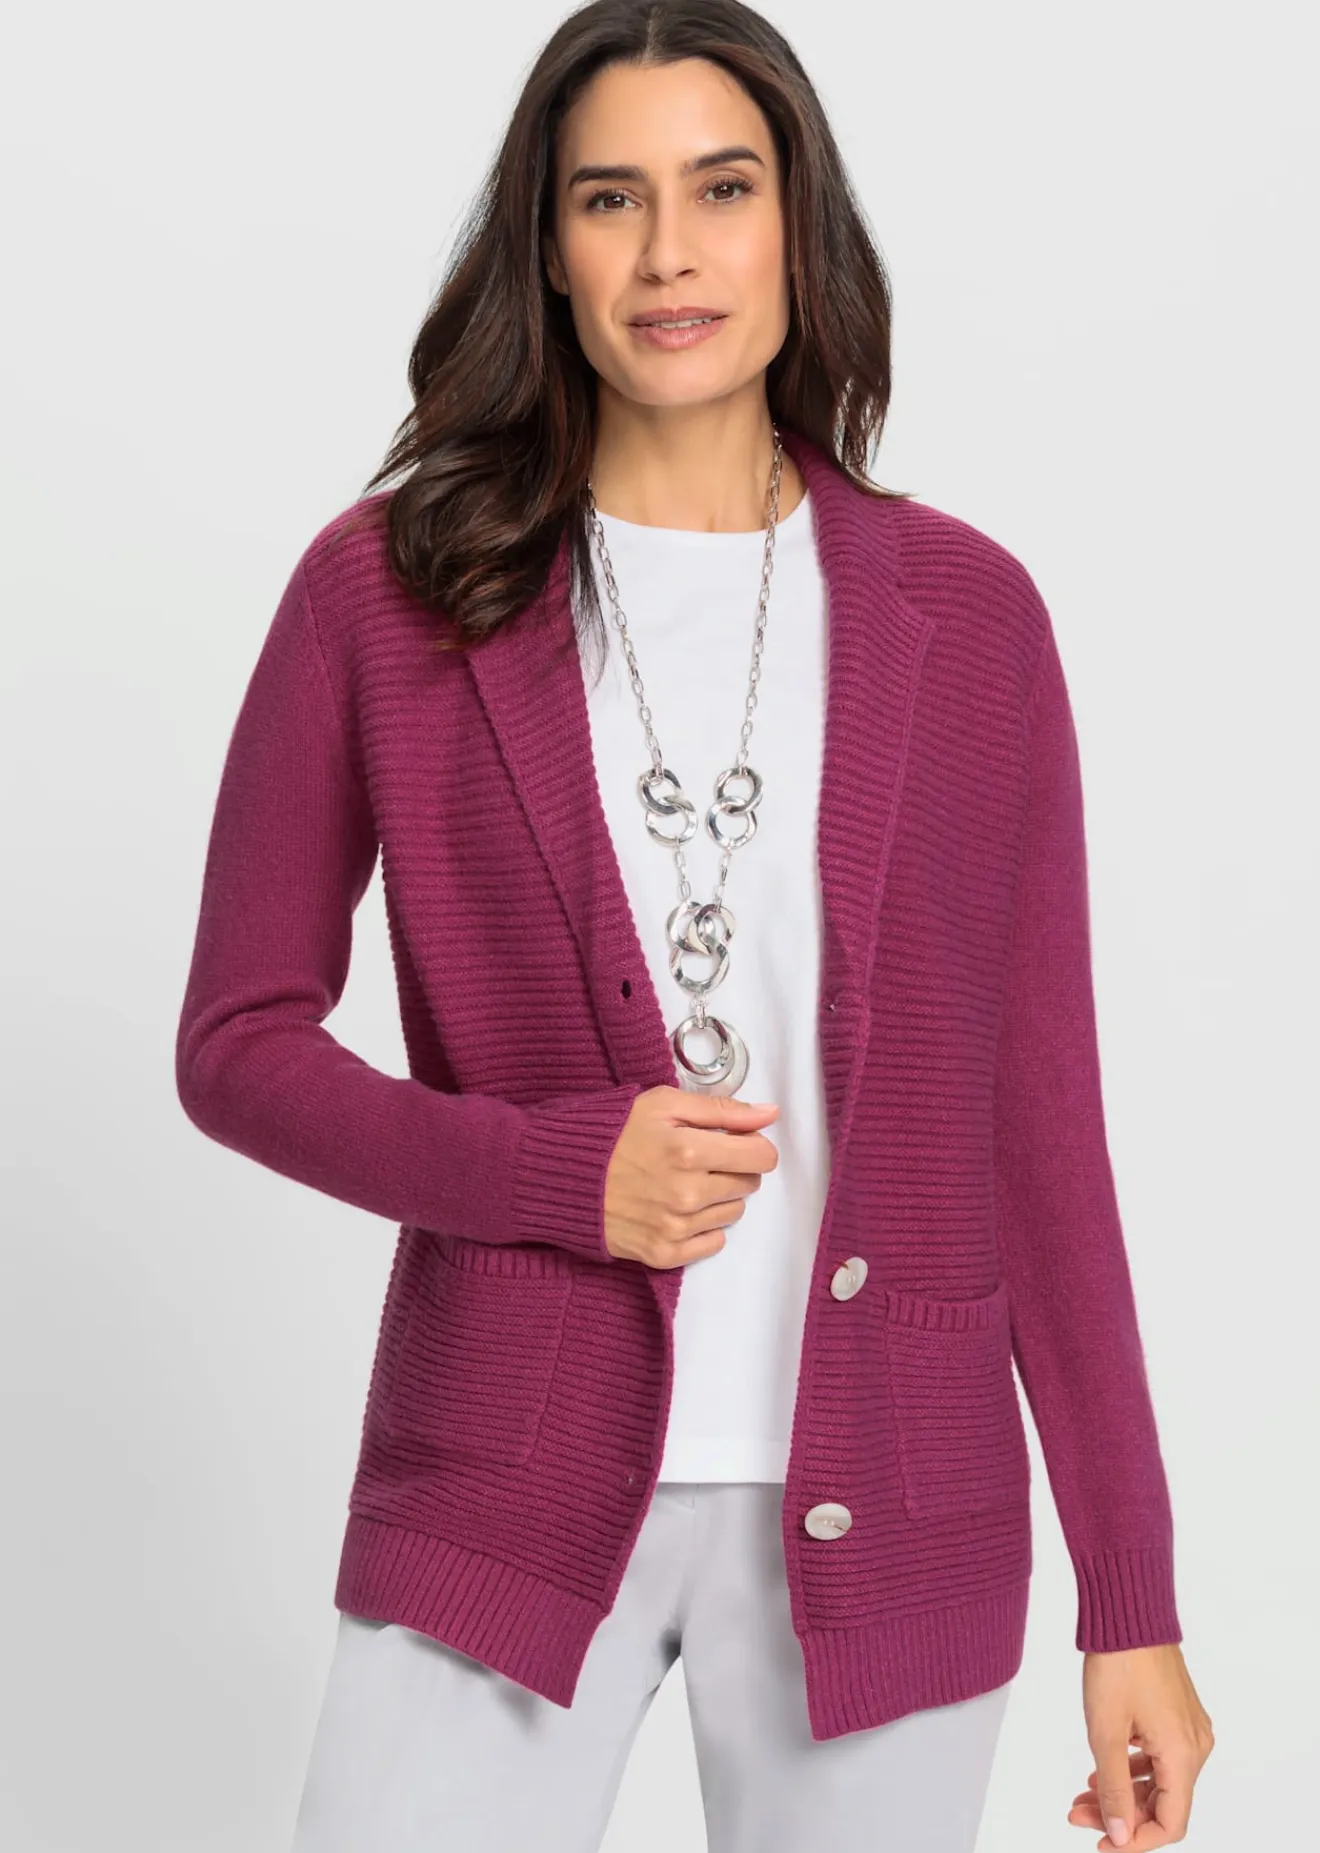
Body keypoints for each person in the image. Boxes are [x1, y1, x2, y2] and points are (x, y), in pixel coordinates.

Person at [173, 2, 1215, 1848]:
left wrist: (1128, 1595)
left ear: (796, 228)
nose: (669, 252)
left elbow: (1037, 1127)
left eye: (722, 189)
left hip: (895, 1506)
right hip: (498, 1482)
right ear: (546, 249)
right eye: (610, 199)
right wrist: (554, 1174)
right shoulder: (388, 594)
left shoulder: (967, 617)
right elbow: (236, 1046)